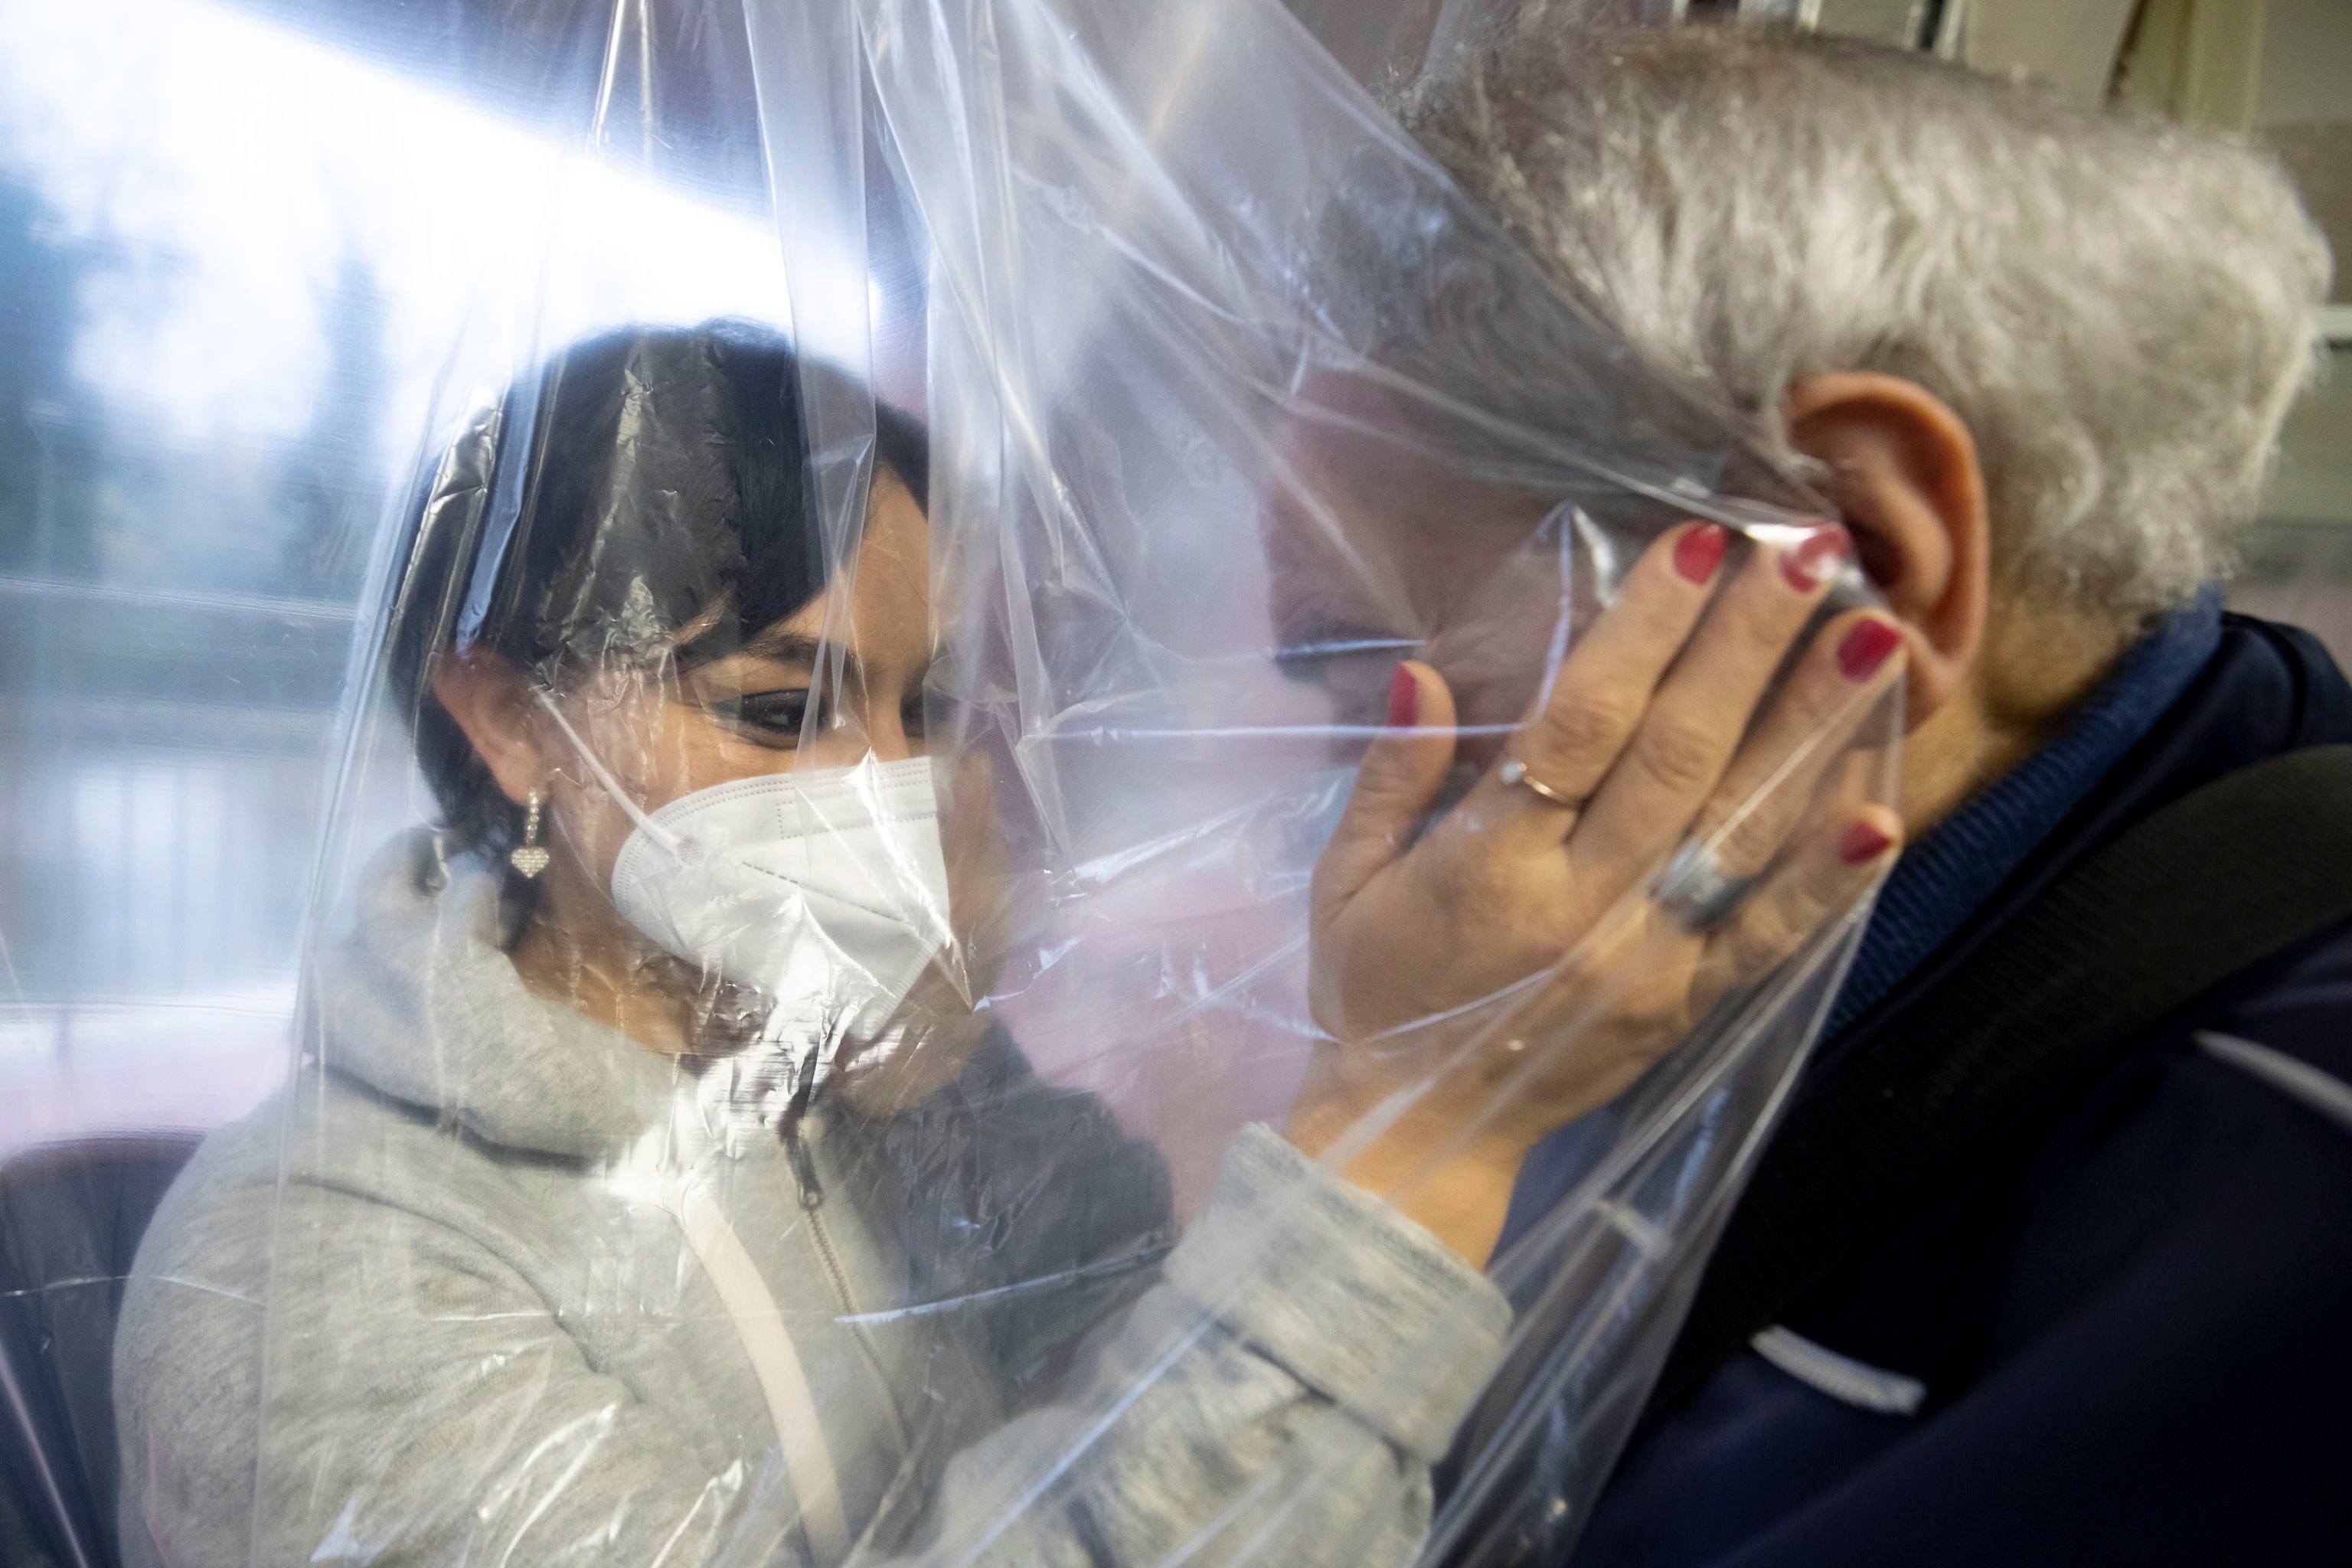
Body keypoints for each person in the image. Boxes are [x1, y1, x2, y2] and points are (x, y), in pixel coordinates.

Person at [113, 319, 1900, 1564]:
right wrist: (1404, 1141)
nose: (889, 787)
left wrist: (955, 1056)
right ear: (504, 718)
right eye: (774, 706)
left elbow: (1134, 1370)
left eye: (928, 705)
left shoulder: (857, 1080)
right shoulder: (307, 1284)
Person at [1308, 21, 2341, 1566]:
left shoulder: (2285, 1201)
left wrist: (1386, 1139)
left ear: (1847, 550)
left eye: (1364, 662)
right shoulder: (1711, 981)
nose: (1331, 797)